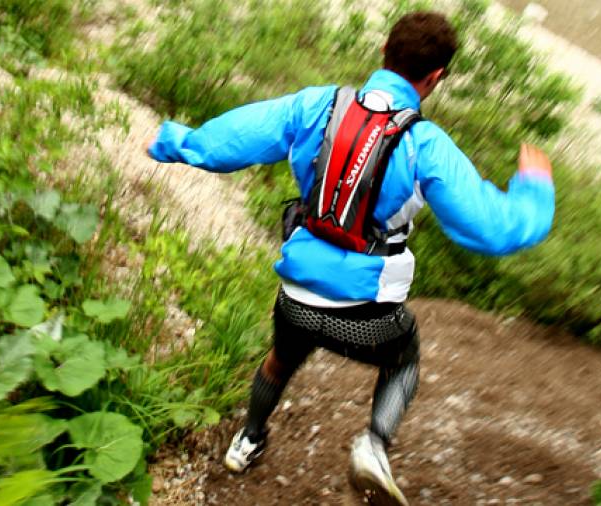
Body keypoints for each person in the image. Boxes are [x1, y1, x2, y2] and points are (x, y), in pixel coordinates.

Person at [146, 11, 554, 506]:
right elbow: (493, 230)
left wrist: (171, 143)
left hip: (296, 295)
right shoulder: (425, 145)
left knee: (279, 361)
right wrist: (533, 190)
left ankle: (247, 440)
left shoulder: (316, 105)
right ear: (436, 78)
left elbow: (227, 142)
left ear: (384, 50)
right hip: (368, 315)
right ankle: (374, 447)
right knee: (403, 361)